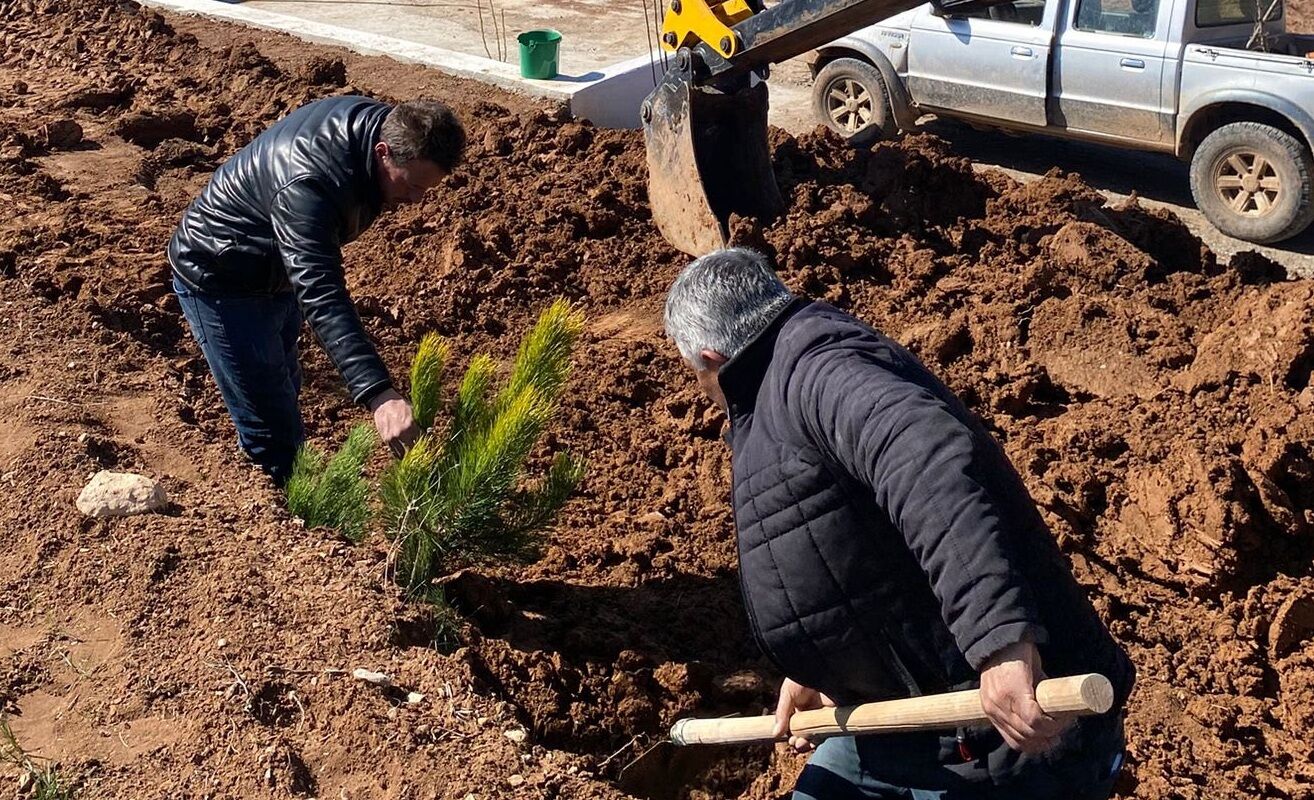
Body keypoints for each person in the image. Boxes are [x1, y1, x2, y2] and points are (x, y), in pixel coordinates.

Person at [663, 248, 1135, 799]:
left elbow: (927, 462)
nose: (701, 388)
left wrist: (1001, 643)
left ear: (711, 356)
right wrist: (827, 666)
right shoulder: (775, 386)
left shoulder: (819, 369)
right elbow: (843, 541)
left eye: (695, 374)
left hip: (989, 740)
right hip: (892, 720)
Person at [168, 96, 465, 483]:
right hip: (222, 276)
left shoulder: (383, 129)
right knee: (271, 432)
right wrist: (380, 395)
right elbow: (321, 290)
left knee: (282, 386)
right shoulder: (309, 184)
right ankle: (285, 522)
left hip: (275, 267)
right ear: (383, 152)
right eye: (411, 185)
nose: (415, 200)